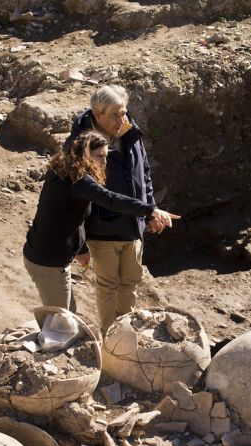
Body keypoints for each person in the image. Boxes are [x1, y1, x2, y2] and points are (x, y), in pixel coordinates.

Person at [23, 130, 178, 312]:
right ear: (86, 155)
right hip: (47, 262)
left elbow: (73, 216)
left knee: (67, 315)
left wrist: (80, 249)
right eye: (100, 156)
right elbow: (110, 199)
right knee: (60, 323)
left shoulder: (64, 170)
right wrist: (151, 210)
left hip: (46, 255)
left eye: (106, 155)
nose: (105, 162)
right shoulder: (78, 180)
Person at [65, 85, 167, 333]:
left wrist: (149, 210)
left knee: (130, 283)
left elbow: (144, 174)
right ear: (97, 114)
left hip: (133, 227)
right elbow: (73, 198)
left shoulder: (130, 131)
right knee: (108, 285)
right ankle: (110, 337)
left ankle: (126, 333)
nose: (121, 120)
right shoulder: (79, 145)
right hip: (103, 229)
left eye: (124, 112)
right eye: (114, 115)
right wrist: (79, 245)